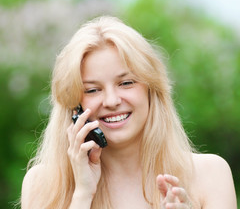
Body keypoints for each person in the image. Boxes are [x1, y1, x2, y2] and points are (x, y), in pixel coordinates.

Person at [21, 16, 237, 209]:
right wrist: (82, 195)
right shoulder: (41, 185)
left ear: (151, 90)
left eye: (126, 83)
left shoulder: (211, 175)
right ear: (73, 106)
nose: (112, 101)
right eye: (93, 89)